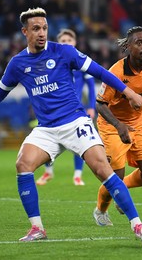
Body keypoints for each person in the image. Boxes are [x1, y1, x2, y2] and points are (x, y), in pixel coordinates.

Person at [0, 7, 142, 242]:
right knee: (23, 164)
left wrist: (128, 91)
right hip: (46, 128)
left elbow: (100, 72)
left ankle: (137, 225)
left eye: (45, 28)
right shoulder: (17, 64)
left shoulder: (64, 52)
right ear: (24, 31)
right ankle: (37, 229)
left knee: (102, 169)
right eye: (36, 28)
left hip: (74, 121)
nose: (41, 33)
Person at [93, 26, 142, 226]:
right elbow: (100, 105)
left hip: (137, 123)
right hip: (112, 126)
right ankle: (100, 211)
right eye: (139, 43)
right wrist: (119, 126)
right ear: (128, 47)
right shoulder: (115, 73)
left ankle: (122, 192)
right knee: (114, 179)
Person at [36, 28, 96, 186]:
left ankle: (77, 175)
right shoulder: (52, 63)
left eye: (69, 41)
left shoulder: (81, 60)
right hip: (54, 109)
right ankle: (48, 172)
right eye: (63, 41)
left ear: (75, 43)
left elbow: (90, 86)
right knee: (47, 141)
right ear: (58, 43)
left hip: (75, 109)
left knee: (80, 142)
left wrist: (91, 107)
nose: (67, 43)